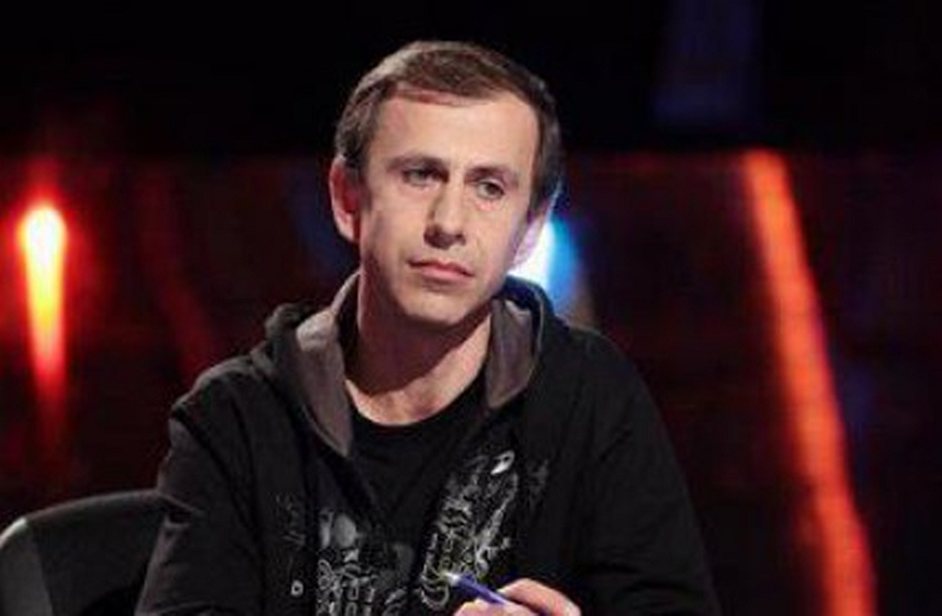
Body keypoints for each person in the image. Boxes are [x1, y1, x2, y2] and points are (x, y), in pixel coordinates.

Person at [136, 40, 719, 615]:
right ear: (348, 199)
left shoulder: (588, 396)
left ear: (530, 230)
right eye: (420, 175)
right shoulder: (237, 417)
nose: (449, 222)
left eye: (489, 187)